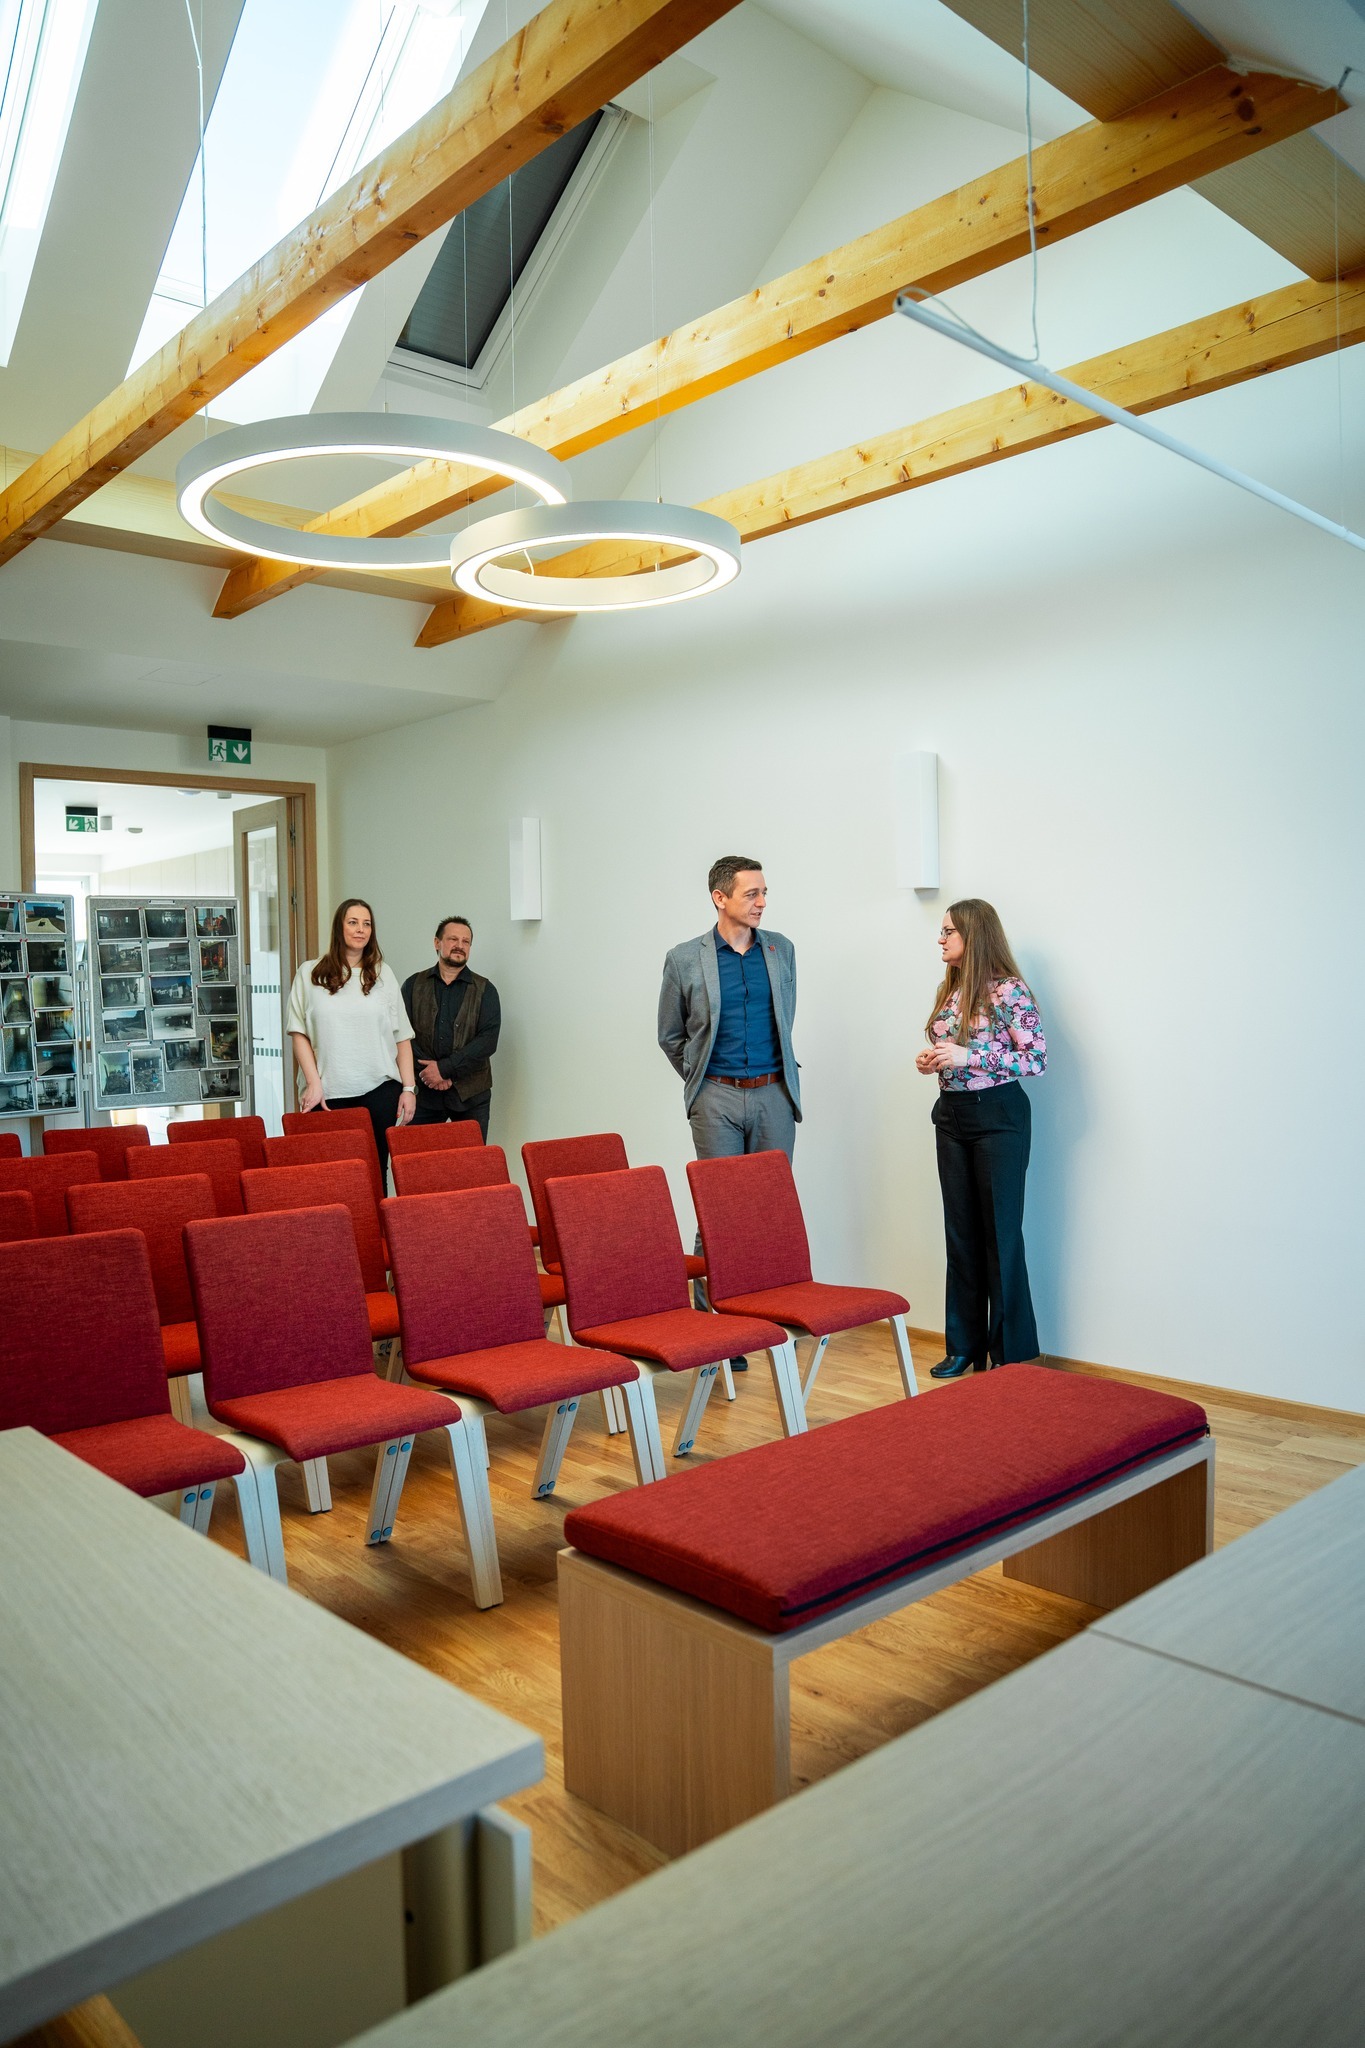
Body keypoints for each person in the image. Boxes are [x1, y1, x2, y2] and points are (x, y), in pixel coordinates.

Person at [659, 856, 800, 1364]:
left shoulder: (781, 950)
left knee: (768, 1211)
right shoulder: (684, 958)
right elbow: (670, 1035)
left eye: (764, 893)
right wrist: (703, 1080)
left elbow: (785, 1020)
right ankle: (714, 1330)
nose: (762, 903)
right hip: (714, 1096)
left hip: (774, 1093)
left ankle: (761, 1321)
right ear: (720, 898)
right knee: (718, 1210)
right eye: (751, 894)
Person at [915, 898, 1046, 1379]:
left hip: (998, 1116)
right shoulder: (951, 989)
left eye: (948, 931)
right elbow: (952, 1051)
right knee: (961, 1234)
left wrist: (966, 1057)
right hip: (952, 1116)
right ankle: (963, 1346)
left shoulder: (1009, 991)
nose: (941, 938)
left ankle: (1009, 1353)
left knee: (1000, 1235)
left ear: (974, 935)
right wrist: (932, 1060)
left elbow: (1036, 1059)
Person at [286, 897, 416, 1186]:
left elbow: (402, 1037)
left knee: (375, 1173)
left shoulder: (383, 974)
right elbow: (298, 1033)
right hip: (326, 1093)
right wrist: (313, 1083)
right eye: (353, 922)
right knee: (329, 1176)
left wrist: (409, 1089)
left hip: (379, 1090)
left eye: (366, 924)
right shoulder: (309, 973)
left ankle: (377, 1219)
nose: (360, 929)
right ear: (339, 927)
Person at [400, 916, 501, 1139]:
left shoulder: (486, 990)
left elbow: (487, 1041)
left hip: (471, 1095)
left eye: (466, 941)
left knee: (471, 1157)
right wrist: (430, 1073)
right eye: (453, 939)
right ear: (437, 942)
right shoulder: (413, 985)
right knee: (414, 1155)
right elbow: (402, 1034)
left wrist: (444, 1069)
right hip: (424, 1092)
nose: (459, 945)